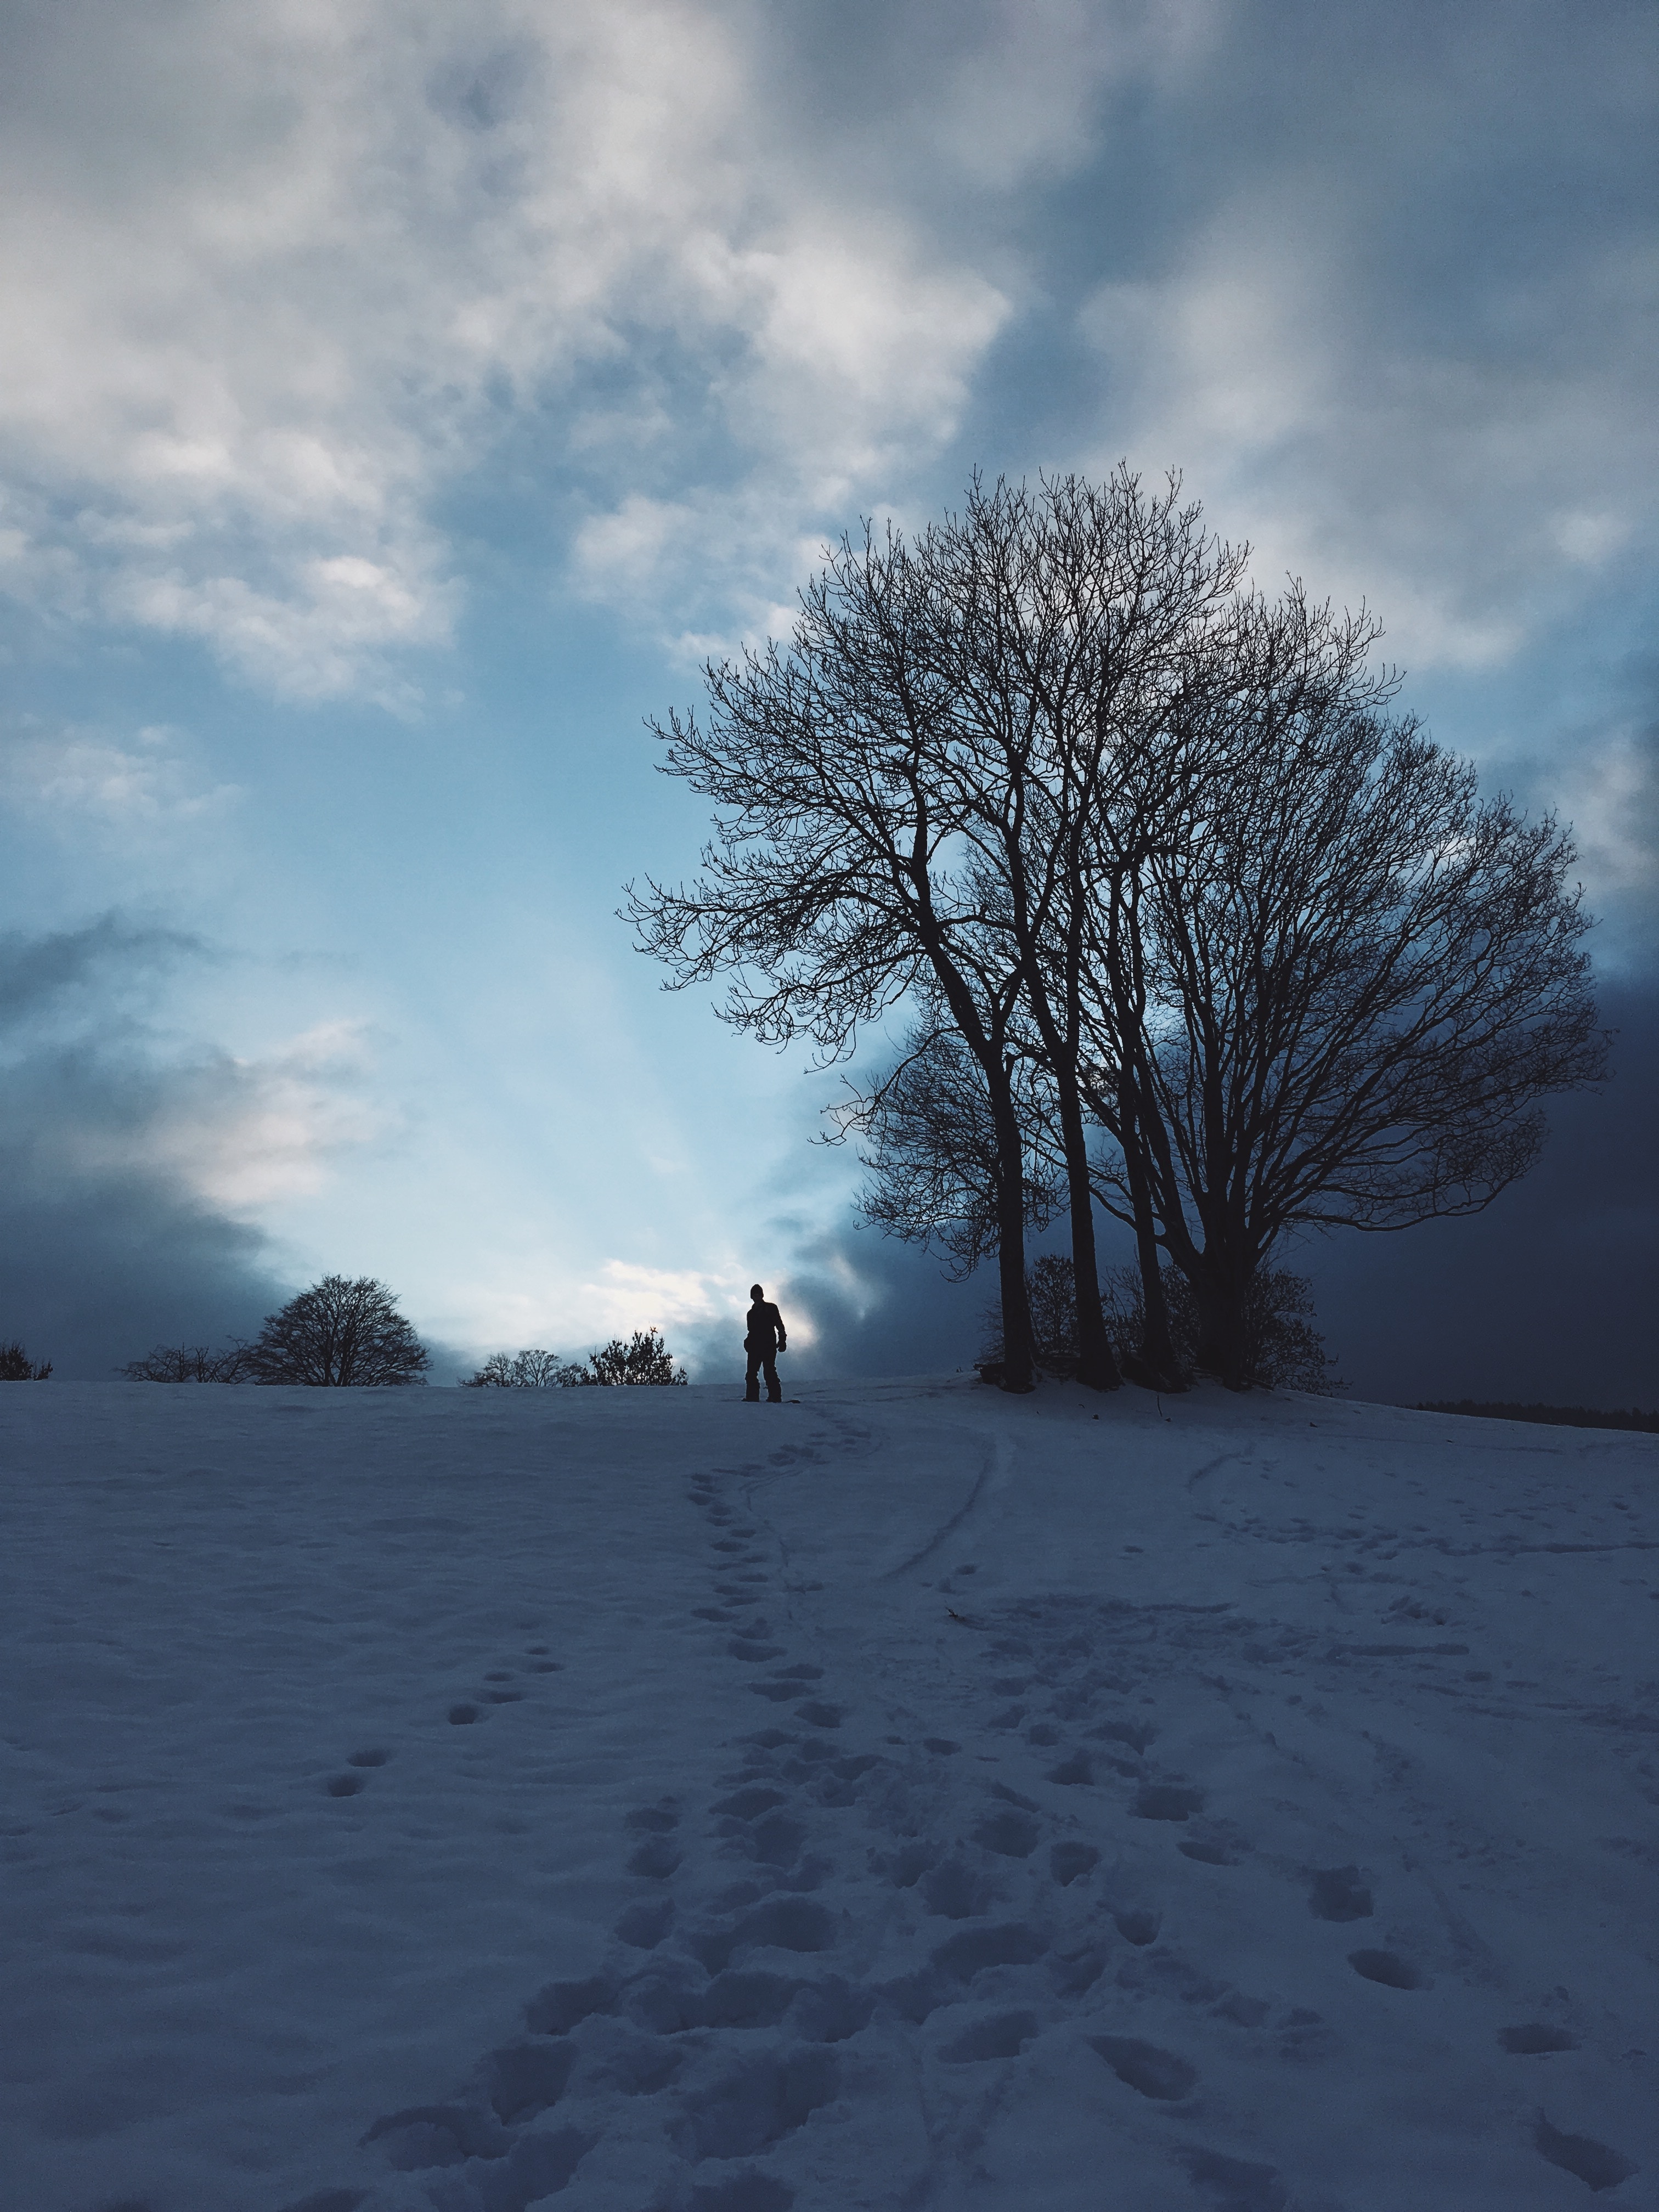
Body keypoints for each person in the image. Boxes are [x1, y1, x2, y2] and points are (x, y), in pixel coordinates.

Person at [743, 1284, 787, 1402]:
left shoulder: (771, 1308)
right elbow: (751, 1331)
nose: (757, 1297)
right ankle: (752, 1397)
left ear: (762, 1295)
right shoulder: (750, 1314)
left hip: (768, 1345)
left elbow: (779, 1324)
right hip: (755, 1347)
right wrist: (747, 1342)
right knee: (751, 1373)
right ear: (752, 1297)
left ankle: (775, 1397)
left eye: (759, 1294)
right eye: (755, 1295)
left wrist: (782, 1338)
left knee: (769, 1371)